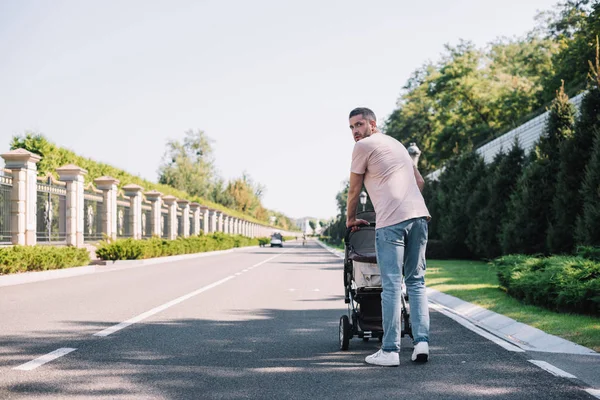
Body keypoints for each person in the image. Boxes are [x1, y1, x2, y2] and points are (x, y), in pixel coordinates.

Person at [346, 107, 430, 367]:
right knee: (416, 282)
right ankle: (421, 343)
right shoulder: (397, 144)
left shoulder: (364, 147)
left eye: (359, 125)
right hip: (419, 217)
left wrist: (350, 219)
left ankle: (390, 350)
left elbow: (354, 189)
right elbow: (420, 182)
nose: (355, 132)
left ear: (373, 123)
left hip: (391, 221)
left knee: (392, 284)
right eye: (351, 128)